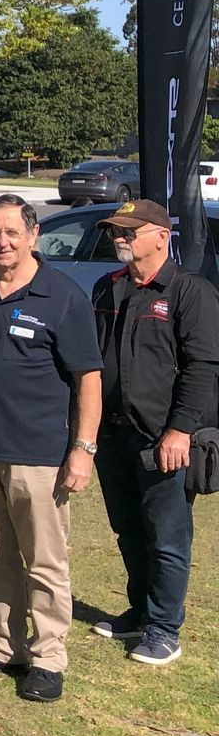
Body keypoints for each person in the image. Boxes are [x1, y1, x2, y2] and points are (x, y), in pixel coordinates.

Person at [0, 196, 102, 704]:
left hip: (39, 453)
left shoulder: (62, 296)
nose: (1, 241)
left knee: (44, 561)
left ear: (33, 235)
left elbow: (87, 378)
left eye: (10, 232)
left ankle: (48, 657)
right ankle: (2, 644)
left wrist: (83, 449)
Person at [88, 199, 219, 667]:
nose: (118, 238)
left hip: (162, 436)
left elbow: (203, 367)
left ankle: (165, 628)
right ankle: (141, 611)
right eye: (114, 232)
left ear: (161, 235)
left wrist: (181, 430)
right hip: (112, 434)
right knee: (128, 530)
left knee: (166, 536)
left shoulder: (189, 291)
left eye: (128, 231)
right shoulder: (109, 287)